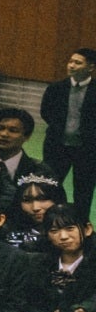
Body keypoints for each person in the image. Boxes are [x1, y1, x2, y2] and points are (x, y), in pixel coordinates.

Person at [41, 47, 96, 218]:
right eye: (70, 61)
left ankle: (81, 224)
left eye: (77, 63)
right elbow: (46, 112)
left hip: (87, 150)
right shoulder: (56, 88)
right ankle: (50, 220)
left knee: (83, 191)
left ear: (91, 67)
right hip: (57, 146)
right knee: (50, 186)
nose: (71, 65)